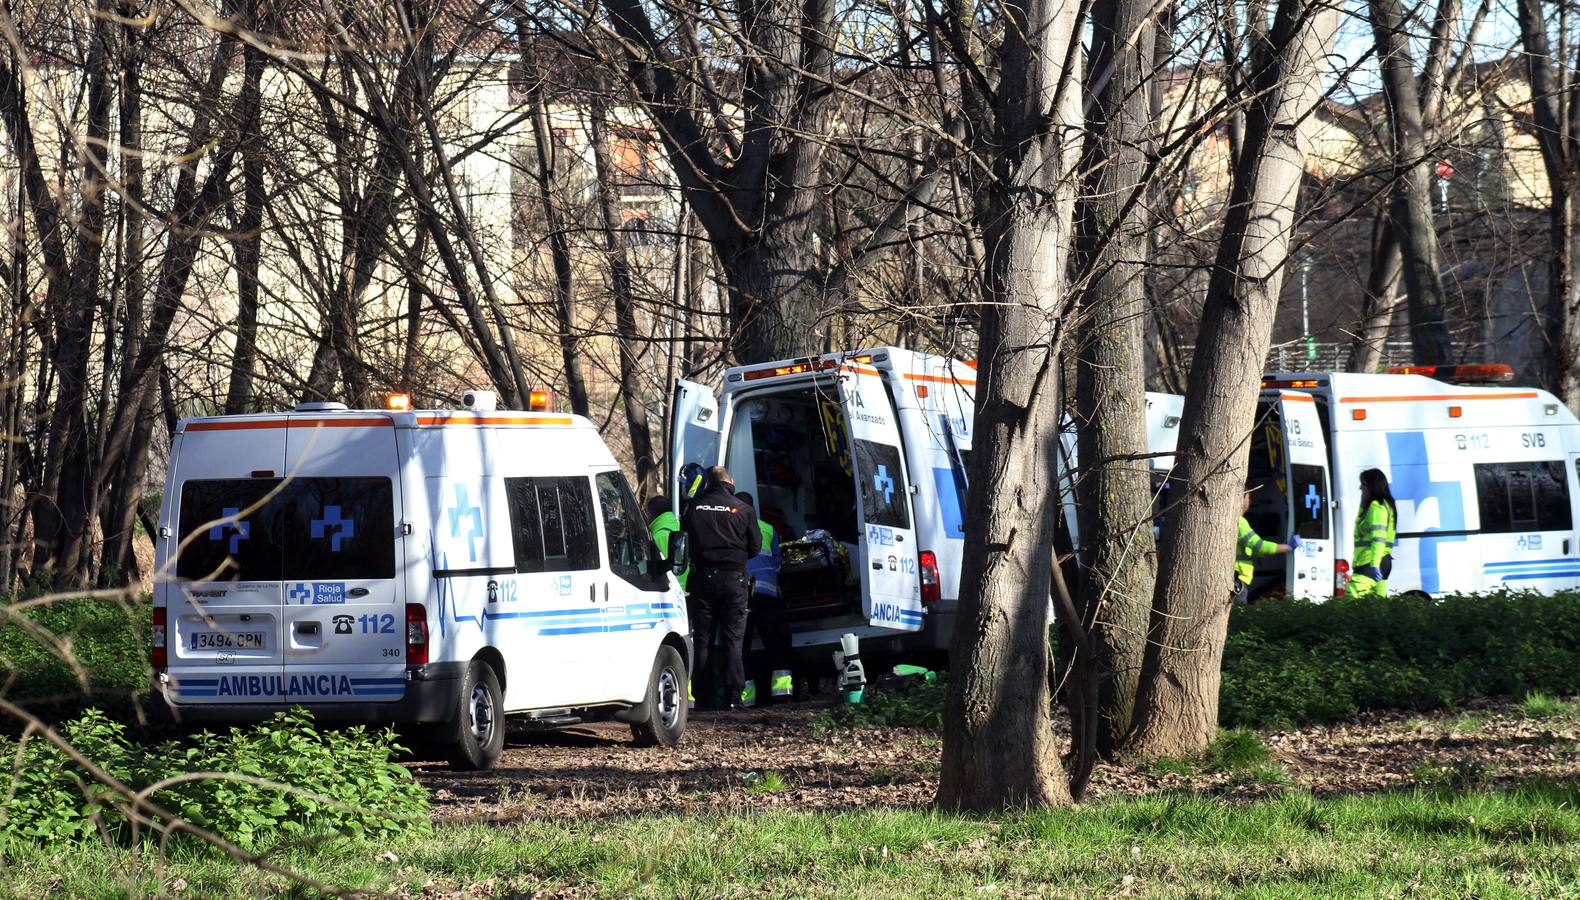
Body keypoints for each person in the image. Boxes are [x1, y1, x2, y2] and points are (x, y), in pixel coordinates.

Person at [681, 466, 758, 709]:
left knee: (702, 640)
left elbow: (684, 541)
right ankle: (732, 697)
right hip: (733, 581)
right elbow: (755, 546)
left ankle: (703, 697)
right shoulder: (743, 509)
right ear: (731, 482)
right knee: (732, 640)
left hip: (702, 579)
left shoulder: (693, 507)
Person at [737, 490, 793, 705]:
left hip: (743, 595)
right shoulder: (769, 529)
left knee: (742, 646)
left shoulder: (732, 528)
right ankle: (782, 693)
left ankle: (746, 698)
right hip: (768, 594)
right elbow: (778, 564)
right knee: (777, 642)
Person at [1236, 488, 1292, 604]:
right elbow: (1259, 546)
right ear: (1241, 499)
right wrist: (1288, 547)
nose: (1249, 501)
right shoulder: (1239, 522)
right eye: (1248, 497)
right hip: (1237, 579)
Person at [1348, 468, 1397, 599]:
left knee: (1353, 599)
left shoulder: (1376, 507)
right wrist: (1363, 503)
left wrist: (1374, 564)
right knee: (1378, 607)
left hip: (1370, 561)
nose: (1360, 488)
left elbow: (1378, 538)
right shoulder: (1385, 506)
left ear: (1371, 486)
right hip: (1383, 561)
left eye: (1363, 484)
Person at [646, 495, 688, 589]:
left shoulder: (657, 537)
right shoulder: (678, 528)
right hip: (684, 587)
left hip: (670, 589)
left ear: (651, 513)